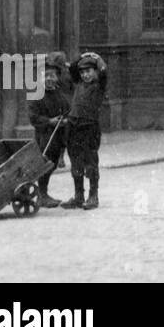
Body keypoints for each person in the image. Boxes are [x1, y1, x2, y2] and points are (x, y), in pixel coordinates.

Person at [60, 52, 108, 211]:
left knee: (91, 163)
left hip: (89, 128)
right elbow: (73, 68)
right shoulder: (79, 83)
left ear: (94, 72)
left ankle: (93, 196)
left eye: (88, 71)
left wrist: (96, 57)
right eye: (83, 72)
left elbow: (104, 71)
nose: (85, 75)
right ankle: (79, 196)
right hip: (73, 127)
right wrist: (82, 55)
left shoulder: (99, 86)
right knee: (76, 162)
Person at [28, 51, 71, 208]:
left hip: (58, 135)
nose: (49, 79)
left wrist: (64, 120)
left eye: (52, 76)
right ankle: (42, 194)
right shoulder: (37, 95)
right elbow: (33, 117)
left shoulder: (59, 93)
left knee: (51, 164)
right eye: (46, 76)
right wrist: (49, 121)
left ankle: (43, 193)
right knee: (45, 162)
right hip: (44, 136)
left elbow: (66, 108)